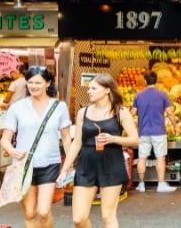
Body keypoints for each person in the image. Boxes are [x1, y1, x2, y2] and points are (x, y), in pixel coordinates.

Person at [58, 73, 139, 228]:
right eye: (89, 88)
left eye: (93, 88)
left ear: (107, 90)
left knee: (107, 216)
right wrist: (65, 168)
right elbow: (76, 143)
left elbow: (135, 140)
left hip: (111, 164)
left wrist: (114, 139)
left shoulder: (121, 112)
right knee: (78, 218)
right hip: (86, 165)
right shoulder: (83, 113)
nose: (89, 91)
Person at [0, 66, 72, 228]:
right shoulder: (17, 107)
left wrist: (68, 166)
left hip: (50, 164)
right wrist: (12, 150)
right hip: (24, 165)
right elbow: (5, 139)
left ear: (47, 83)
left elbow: (67, 138)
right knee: (30, 213)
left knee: (44, 211)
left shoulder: (59, 107)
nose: (33, 86)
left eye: (38, 82)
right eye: (30, 82)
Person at [131, 70, 179, 193]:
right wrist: (175, 125)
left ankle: (141, 185)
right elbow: (170, 112)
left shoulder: (138, 95)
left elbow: (132, 114)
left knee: (142, 157)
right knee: (160, 158)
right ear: (156, 81)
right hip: (159, 131)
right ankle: (161, 184)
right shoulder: (162, 95)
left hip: (143, 132)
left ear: (145, 81)